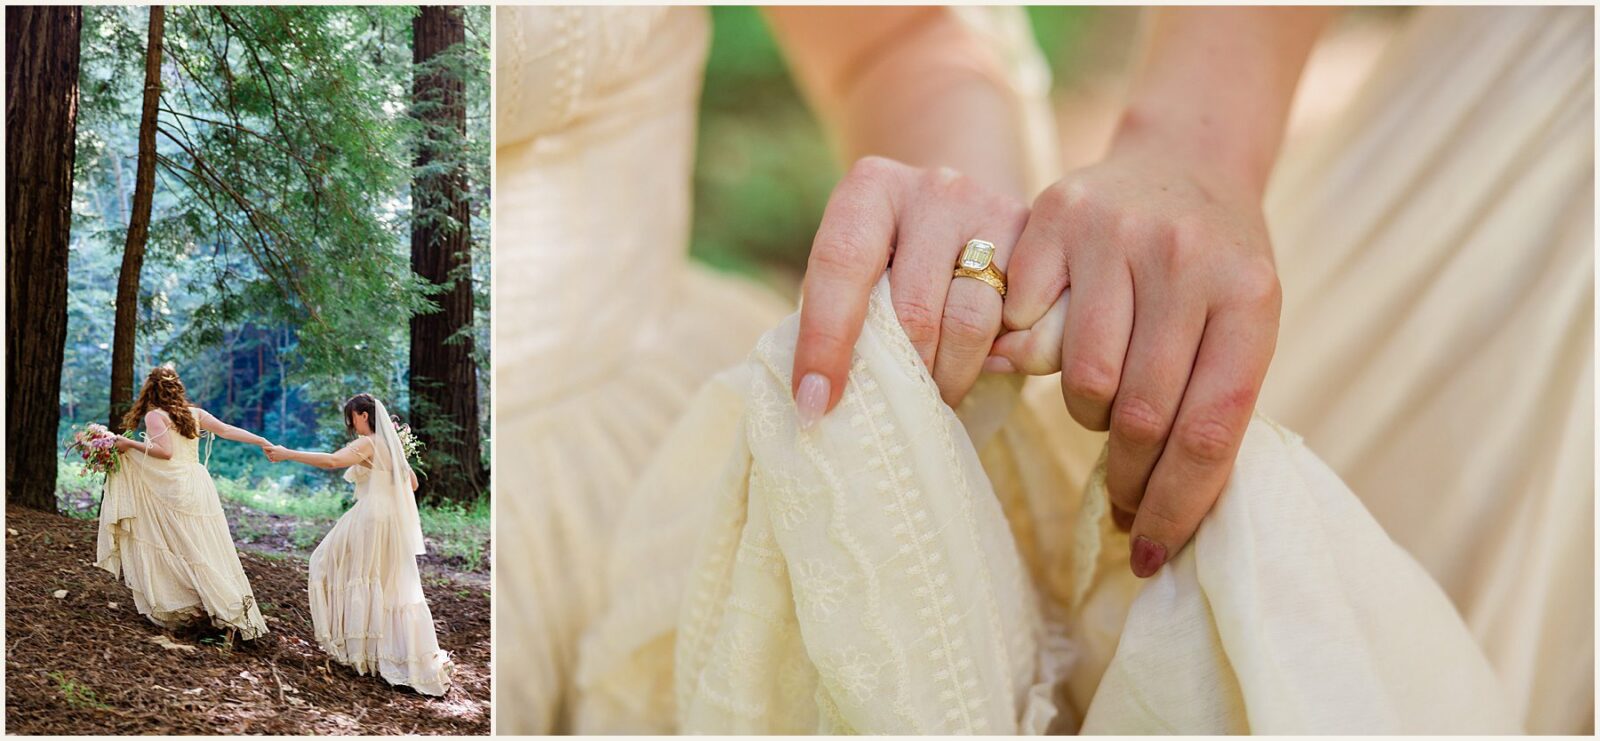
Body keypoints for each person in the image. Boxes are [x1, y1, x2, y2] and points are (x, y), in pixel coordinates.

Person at [264, 394, 454, 696]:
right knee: (386, 582)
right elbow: (414, 484)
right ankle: (382, 651)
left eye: (352, 417)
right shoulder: (389, 445)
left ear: (364, 415)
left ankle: (360, 648)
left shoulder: (369, 442)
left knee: (327, 561)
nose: (351, 424)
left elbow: (332, 461)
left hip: (370, 515)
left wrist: (288, 453)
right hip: (390, 521)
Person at [98, 365, 270, 643]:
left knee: (177, 542)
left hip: (172, 484)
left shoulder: (156, 415)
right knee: (200, 544)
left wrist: (128, 444)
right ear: (177, 388)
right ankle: (214, 603)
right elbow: (225, 430)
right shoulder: (195, 413)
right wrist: (260, 440)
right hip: (197, 482)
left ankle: (188, 603)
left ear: (150, 390)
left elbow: (164, 453)